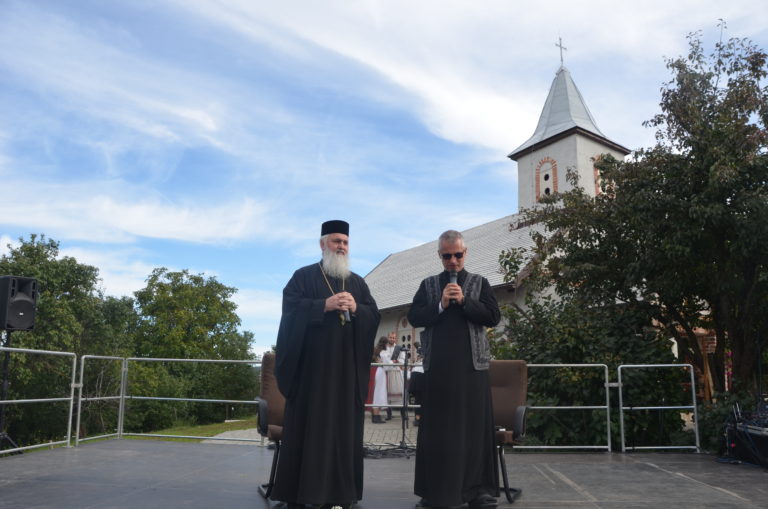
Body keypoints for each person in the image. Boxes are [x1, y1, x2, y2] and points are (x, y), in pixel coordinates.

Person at [273, 220, 380, 509]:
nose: (341, 246)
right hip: (312, 376)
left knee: (344, 436)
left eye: (345, 242)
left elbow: (374, 316)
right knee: (309, 432)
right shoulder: (303, 277)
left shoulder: (357, 282)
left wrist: (357, 308)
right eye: (335, 241)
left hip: (346, 375)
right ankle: (302, 495)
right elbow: (290, 313)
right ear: (322, 244)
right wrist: (323, 305)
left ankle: (343, 495)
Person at [408, 229, 501, 509]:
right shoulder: (428, 285)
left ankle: (478, 491)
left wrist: (464, 301)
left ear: (465, 253)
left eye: (457, 255)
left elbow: (493, 317)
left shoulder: (479, 282)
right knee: (438, 433)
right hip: (438, 371)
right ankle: (433, 490)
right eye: (447, 256)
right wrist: (440, 304)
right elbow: (414, 316)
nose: (452, 261)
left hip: (472, 370)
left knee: (475, 431)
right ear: (439, 256)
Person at [384, 332, 405, 420]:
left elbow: (403, 359)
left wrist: (397, 361)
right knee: (387, 394)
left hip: (396, 372)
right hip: (388, 372)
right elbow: (383, 359)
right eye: (391, 337)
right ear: (388, 338)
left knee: (400, 393)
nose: (392, 339)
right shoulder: (384, 348)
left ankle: (403, 415)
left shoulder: (399, 348)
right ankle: (389, 414)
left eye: (394, 338)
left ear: (396, 339)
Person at [370, 337, 390, 424]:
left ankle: (375, 415)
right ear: (385, 344)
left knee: (377, 394)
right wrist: (392, 363)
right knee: (379, 394)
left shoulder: (377, 351)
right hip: (381, 372)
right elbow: (387, 365)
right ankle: (376, 416)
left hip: (378, 372)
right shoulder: (384, 353)